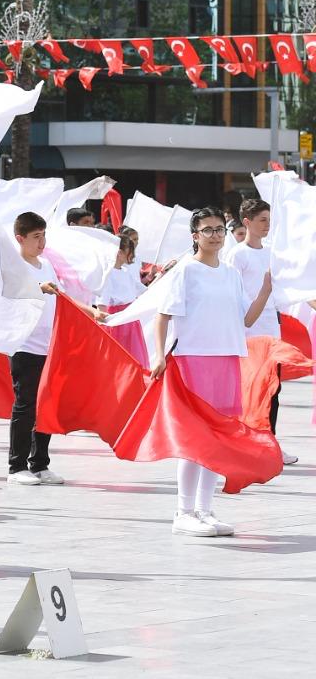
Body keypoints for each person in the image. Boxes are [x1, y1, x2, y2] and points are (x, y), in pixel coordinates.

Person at [153, 208, 273, 539]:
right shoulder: (186, 271)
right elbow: (163, 316)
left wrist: (266, 289)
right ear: (195, 236)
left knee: (218, 438)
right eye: (208, 230)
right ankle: (184, 510)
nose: (216, 235)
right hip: (194, 359)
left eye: (220, 229)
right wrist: (159, 356)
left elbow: (246, 320)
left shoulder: (231, 273)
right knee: (196, 437)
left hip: (227, 358)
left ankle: (205, 510)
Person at [221, 198, 295, 464]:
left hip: (271, 330)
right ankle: (241, 444)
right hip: (246, 332)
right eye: (262, 220)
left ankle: (270, 443)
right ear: (247, 222)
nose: (267, 225)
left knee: (272, 390)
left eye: (269, 220)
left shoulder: (272, 252)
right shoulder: (237, 255)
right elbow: (231, 294)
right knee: (247, 392)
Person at [7, 212, 66, 486]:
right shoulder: (13, 266)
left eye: (43, 235)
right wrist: (36, 287)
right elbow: (8, 294)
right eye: (35, 237)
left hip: (49, 346)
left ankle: (40, 463)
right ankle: (16, 466)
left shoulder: (47, 265)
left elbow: (61, 297)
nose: (41, 242)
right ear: (20, 238)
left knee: (47, 406)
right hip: (25, 347)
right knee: (26, 406)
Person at [97, 232, 148, 365]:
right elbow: (102, 303)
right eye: (128, 251)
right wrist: (104, 327)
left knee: (133, 356)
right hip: (116, 320)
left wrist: (161, 278)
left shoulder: (126, 272)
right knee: (119, 358)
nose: (131, 255)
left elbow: (144, 291)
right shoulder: (108, 274)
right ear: (119, 252)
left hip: (130, 318)